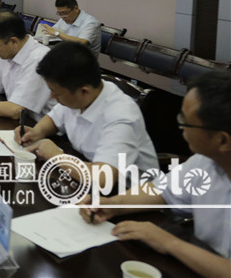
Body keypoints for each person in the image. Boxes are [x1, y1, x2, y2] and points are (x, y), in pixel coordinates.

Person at [80, 71, 231, 278]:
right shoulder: (205, 162)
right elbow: (160, 191)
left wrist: (169, 243)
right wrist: (113, 204)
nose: (180, 127)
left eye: (185, 121)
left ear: (222, 140)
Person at [15, 41, 158, 186]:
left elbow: (104, 178)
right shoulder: (79, 94)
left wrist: (56, 156)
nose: (52, 96)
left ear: (84, 91)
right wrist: (36, 132)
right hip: (84, 170)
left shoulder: (121, 116)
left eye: (56, 93)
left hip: (129, 191)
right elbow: (54, 119)